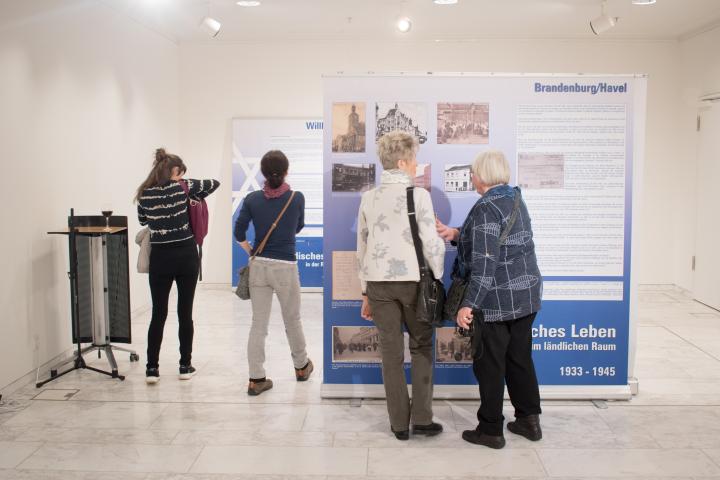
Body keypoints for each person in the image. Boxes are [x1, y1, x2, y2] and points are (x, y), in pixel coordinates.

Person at [436, 150, 543, 449]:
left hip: (496, 302)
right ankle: (528, 421)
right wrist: (455, 233)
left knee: (490, 365)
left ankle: (491, 430)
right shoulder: (515, 199)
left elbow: (484, 263)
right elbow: (498, 242)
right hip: (526, 297)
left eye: (473, 172)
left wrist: (468, 305)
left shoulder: (486, 207)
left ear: (482, 175)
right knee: (519, 360)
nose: (471, 177)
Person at [356, 131, 446, 441]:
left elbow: (362, 247)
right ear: (403, 161)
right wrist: (437, 274)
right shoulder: (419, 195)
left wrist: (365, 291)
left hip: (379, 284)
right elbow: (431, 243)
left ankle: (398, 424)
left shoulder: (368, 197)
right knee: (421, 347)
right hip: (413, 283)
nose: (417, 165)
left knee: (390, 354)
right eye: (415, 159)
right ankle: (422, 419)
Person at [136, 148, 220, 384]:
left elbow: (143, 220)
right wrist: (182, 184)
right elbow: (214, 183)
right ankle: (185, 365)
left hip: (160, 258)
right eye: (180, 171)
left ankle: (152, 368)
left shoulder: (145, 194)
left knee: (158, 314)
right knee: (185, 313)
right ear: (174, 171)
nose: (182, 175)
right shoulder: (184, 187)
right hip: (186, 255)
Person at [234, 150, 313, 396]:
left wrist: (251, 251)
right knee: (293, 320)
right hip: (285, 267)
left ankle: (256, 379)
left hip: (259, 267)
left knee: (259, 324)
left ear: (263, 173)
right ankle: (301, 367)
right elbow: (298, 227)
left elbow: (239, 232)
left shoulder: (252, 199)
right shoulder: (296, 198)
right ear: (286, 171)